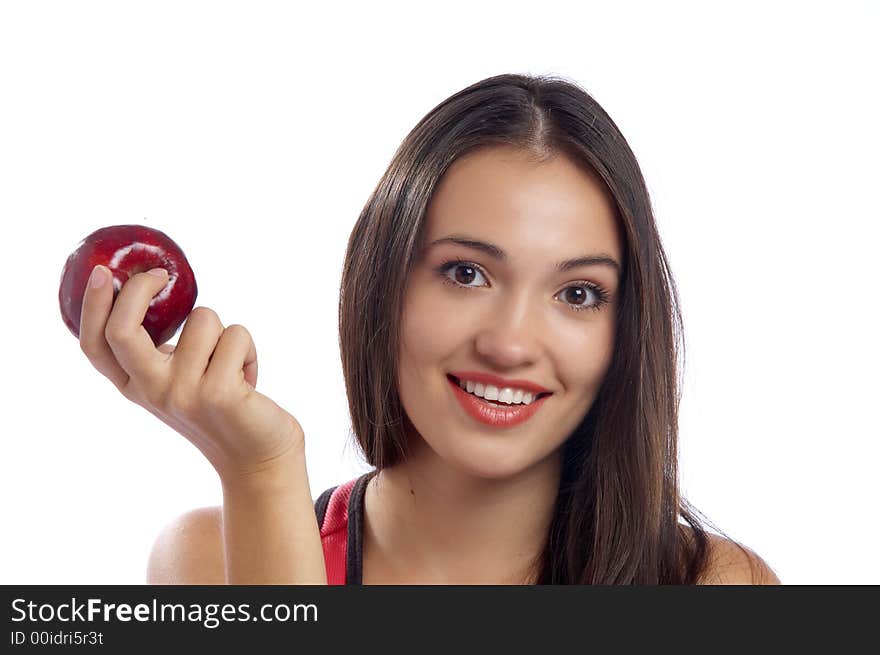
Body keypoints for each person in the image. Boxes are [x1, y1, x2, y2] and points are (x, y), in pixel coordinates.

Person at [80, 73, 780, 584]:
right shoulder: (211, 561)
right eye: (466, 273)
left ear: (624, 333)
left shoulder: (712, 584)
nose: (509, 343)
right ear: (382, 285)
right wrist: (262, 473)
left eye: (577, 292)